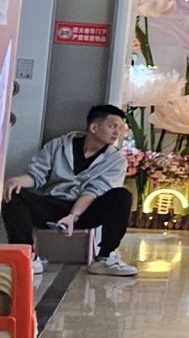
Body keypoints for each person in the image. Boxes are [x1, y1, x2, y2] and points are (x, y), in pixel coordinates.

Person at [3, 105, 138, 275]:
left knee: (122, 196)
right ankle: (27, 256)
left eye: (120, 128)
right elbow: (36, 176)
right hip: (51, 203)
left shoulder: (116, 160)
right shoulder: (58, 146)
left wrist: (73, 216)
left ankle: (105, 258)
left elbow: (94, 191)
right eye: (112, 126)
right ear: (94, 127)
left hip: (86, 210)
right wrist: (17, 181)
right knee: (12, 194)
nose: (117, 133)